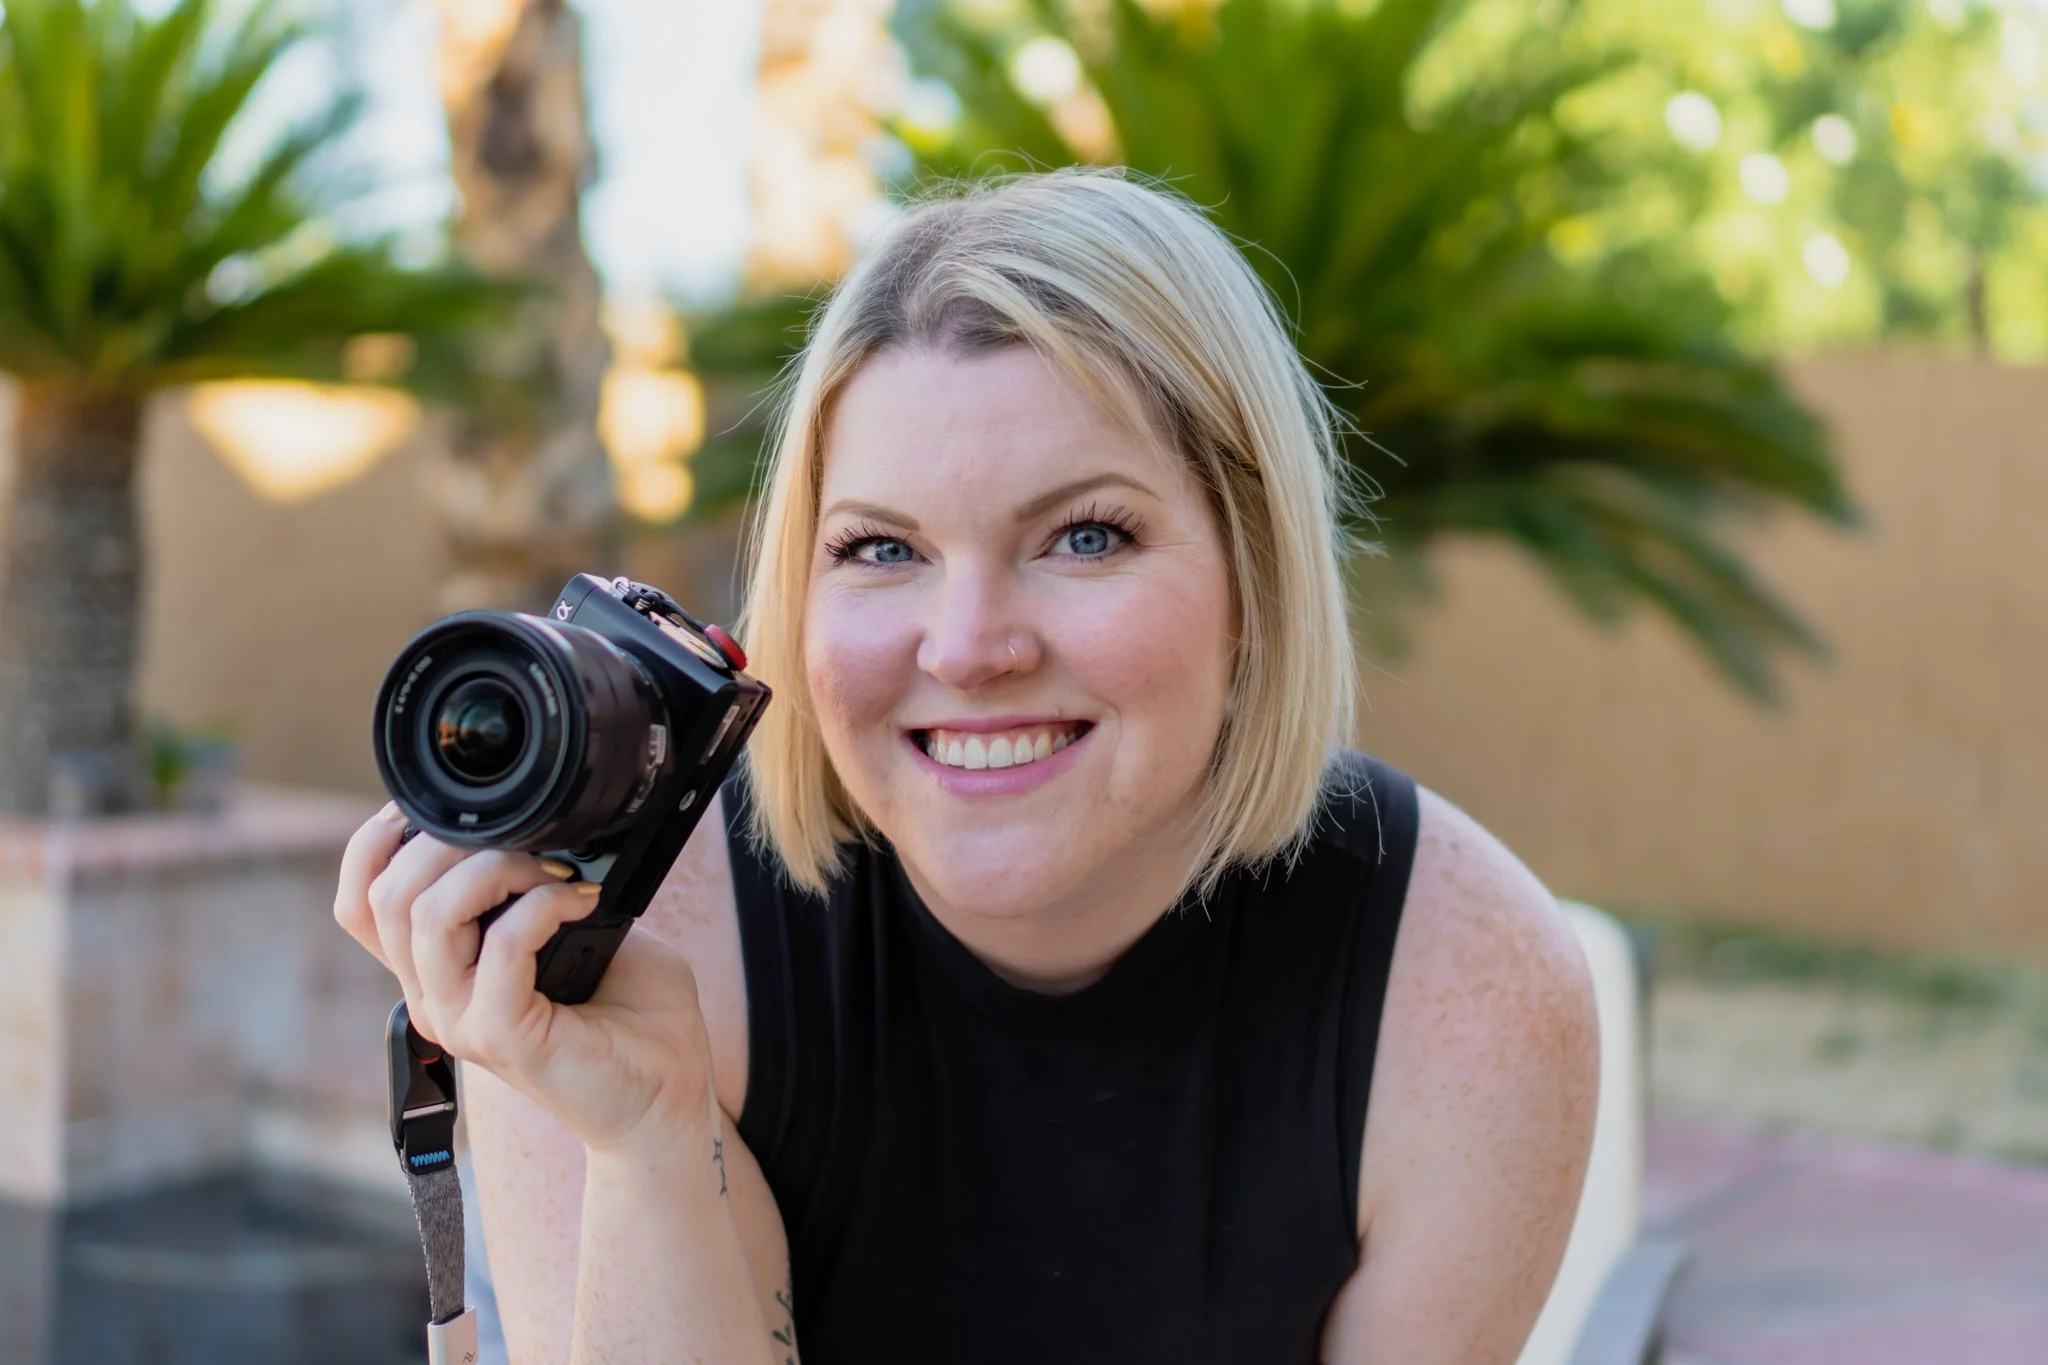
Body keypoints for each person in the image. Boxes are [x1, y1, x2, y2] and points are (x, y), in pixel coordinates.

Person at [334, 168, 1598, 1365]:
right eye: (881, 550)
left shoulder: (1460, 986)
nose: (967, 648)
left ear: (1252, 574)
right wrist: (647, 1146)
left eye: (1083, 536)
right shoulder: (635, 929)